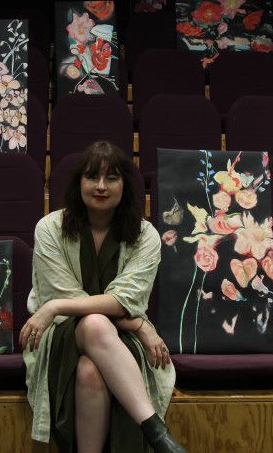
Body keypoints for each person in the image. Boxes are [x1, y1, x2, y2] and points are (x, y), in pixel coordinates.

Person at [21, 141, 187, 453]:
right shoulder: (50, 228)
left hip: (119, 344)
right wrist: (139, 325)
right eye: (91, 177)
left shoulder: (145, 234)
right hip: (60, 333)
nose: (100, 186)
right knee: (94, 322)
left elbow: (126, 298)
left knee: (89, 372)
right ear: (78, 183)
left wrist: (56, 305)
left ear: (125, 185)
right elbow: (65, 298)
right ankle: (156, 432)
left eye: (111, 178)